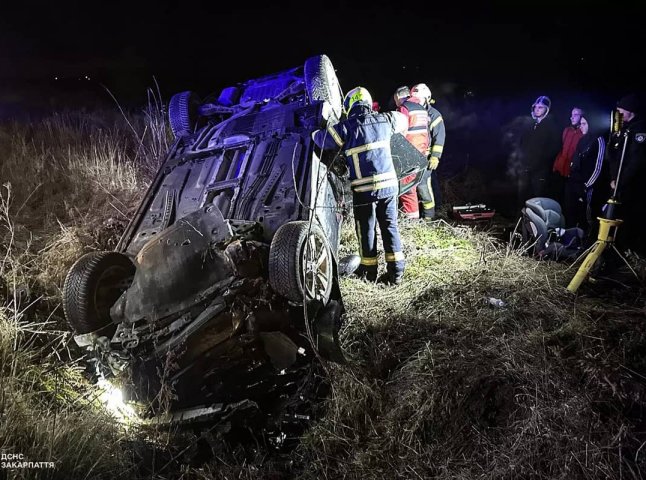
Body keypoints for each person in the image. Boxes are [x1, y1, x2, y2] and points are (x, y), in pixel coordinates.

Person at [312, 86, 408, 284]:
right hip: (390, 188)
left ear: (349, 106)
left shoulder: (347, 127)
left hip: (364, 191)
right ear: (367, 102)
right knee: (390, 227)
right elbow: (403, 121)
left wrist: (312, 131)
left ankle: (369, 273)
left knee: (366, 229)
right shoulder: (386, 119)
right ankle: (396, 273)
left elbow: (322, 140)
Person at [607, 93, 646, 256]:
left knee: (629, 218)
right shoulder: (622, 129)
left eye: (622, 111)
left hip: (632, 186)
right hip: (617, 184)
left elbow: (635, 161)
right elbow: (614, 157)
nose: (619, 115)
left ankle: (630, 252)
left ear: (631, 111)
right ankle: (615, 250)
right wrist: (613, 178)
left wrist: (621, 181)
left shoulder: (640, 130)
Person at [563, 113, 606, 234]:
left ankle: (588, 238)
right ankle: (571, 238)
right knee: (571, 210)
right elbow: (576, 160)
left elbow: (598, 167)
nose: (580, 126)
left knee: (587, 215)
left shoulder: (598, 140)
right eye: (580, 123)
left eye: (584, 124)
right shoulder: (582, 139)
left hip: (587, 185)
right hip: (575, 181)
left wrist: (587, 185)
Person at [517, 95, 561, 209]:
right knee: (523, 197)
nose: (537, 109)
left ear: (547, 109)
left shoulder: (551, 126)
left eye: (541, 107)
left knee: (538, 199)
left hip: (540, 171)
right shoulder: (531, 125)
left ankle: (538, 224)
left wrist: (538, 164)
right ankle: (523, 223)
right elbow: (522, 144)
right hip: (526, 169)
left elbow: (553, 149)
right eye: (536, 107)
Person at [393, 85, 431, 219]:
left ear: (399, 97)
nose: (395, 103)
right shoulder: (422, 109)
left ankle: (411, 221)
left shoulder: (404, 108)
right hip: (421, 153)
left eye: (396, 100)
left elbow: (400, 132)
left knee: (406, 189)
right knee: (412, 187)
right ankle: (412, 218)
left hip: (408, 153)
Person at [412, 83, 446, 218]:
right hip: (414, 157)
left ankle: (431, 214)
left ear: (426, 99)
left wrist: (435, 156)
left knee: (426, 186)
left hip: (427, 159)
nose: (416, 102)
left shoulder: (434, 115)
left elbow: (440, 136)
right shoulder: (414, 112)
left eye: (418, 99)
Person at [552, 107, 584, 203]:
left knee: (568, 200)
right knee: (556, 197)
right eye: (571, 114)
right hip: (560, 170)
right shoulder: (567, 130)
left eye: (575, 115)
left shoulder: (583, 133)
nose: (572, 117)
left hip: (572, 172)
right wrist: (556, 165)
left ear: (582, 117)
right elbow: (561, 148)